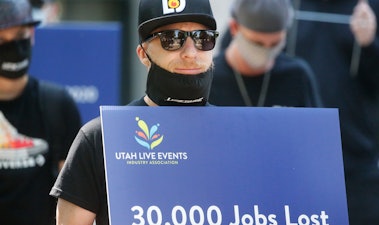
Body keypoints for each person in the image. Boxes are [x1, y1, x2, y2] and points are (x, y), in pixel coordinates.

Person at [49, 0, 219, 224]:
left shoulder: (238, 133)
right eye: (172, 39)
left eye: (202, 38)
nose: (190, 52)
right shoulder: (101, 138)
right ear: (142, 53)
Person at [287, 0, 379, 224]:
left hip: (358, 167)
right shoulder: (285, 4)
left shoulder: (376, 6)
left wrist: (370, 44)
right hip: (294, 163)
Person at [0, 0, 82, 224]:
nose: (13, 47)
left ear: (32, 35)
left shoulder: (57, 104)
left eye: (20, 35)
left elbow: (76, 196)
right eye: (1, 40)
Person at [209, 0, 321, 108]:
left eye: (275, 44)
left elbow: (317, 125)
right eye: (257, 43)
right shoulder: (209, 79)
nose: (265, 51)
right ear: (234, 27)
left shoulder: (297, 75)